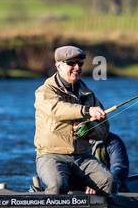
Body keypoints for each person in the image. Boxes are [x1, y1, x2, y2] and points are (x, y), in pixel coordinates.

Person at [33, 45, 127, 194]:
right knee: (57, 185)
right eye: (71, 63)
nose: (77, 67)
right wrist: (86, 111)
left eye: (80, 64)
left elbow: (104, 131)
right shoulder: (45, 92)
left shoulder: (88, 95)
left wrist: (90, 129)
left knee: (109, 182)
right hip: (51, 156)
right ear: (58, 65)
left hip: (83, 157)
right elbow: (57, 109)